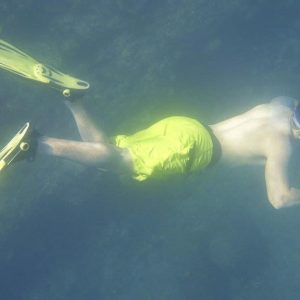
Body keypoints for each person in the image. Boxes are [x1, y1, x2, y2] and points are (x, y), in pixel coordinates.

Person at [1, 95, 300, 210]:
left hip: (185, 127)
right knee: (122, 161)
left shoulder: (280, 107)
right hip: (195, 149)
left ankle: (74, 101)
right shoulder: (280, 143)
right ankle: (38, 145)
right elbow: (279, 199)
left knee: (110, 155)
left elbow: (286, 97)